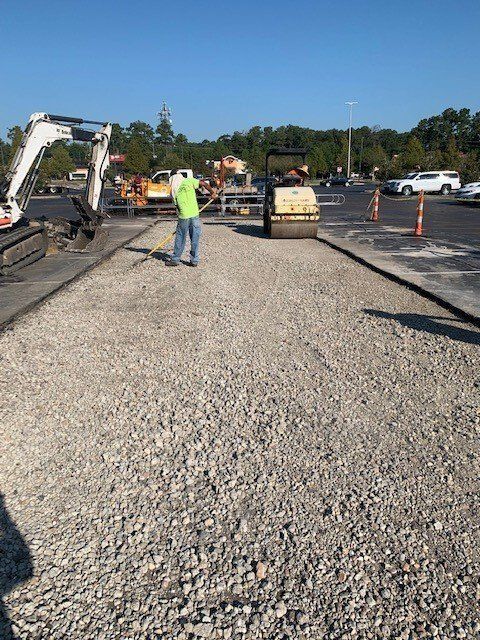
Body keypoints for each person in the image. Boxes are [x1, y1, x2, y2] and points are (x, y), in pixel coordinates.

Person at [165, 177, 217, 267]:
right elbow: (204, 184)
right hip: (194, 214)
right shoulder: (189, 181)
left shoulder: (173, 188)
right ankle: (194, 261)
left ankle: (175, 259)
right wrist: (212, 193)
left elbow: (177, 206)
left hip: (184, 216)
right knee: (195, 238)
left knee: (180, 238)